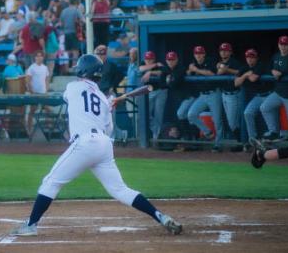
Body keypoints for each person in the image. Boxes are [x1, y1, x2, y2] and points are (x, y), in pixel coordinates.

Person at [10, 54, 182, 237]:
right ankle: (160, 216)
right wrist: (107, 104)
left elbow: (72, 100)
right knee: (120, 190)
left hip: (85, 142)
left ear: (83, 70)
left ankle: (30, 225)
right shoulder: (102, 97)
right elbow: (107, 130)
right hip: (103, 145)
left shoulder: (73, 87)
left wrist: (107, 103)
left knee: (51, 182)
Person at [260, 36, 288, 141]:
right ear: (278, 45)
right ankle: (274, 131)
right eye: (281, 44)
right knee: (265, 107)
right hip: (279, 92)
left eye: (285, 44)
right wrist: (272, 71)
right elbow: (268, 68)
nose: (283, 46)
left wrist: (281, 73)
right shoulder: (276, 56)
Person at [186, 46, 224, 152]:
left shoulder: (210, 61)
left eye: (200, 53)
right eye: (196, 53)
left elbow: (212, 74)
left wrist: (196, 70)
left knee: (217, 120)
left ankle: (218, 144)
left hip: (214, 94)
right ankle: (207, 132)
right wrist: (190, 70)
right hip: (202, 95)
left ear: (204, 54)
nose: (198, 55)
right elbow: (187, 74)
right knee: (191, 114)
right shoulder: (194, 63)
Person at [236, 49, 271, 148]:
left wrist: (246, 76)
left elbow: (253, 78)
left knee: (270, 117)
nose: (250, 59)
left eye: (252, 57)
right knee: (247, 113)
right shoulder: (244, 68)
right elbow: (236, 83)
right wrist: (246, 74)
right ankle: (253, 139)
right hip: (258, 96)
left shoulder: (260, 65)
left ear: (256, 58)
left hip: (269, 95)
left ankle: (273, 140)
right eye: (248, 57)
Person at [139, 51, 168, 141]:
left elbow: (163, 71)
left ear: (154, 59)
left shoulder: (160, 64)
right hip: (149, 92)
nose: (149, 61)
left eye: (151, 59)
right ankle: (156, 131)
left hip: (161, 91)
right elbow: (140, 69)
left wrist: (150, 73)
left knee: (158, 114)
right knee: (145, 113)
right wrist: (153, 66)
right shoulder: (145, 64)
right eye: (147, 59)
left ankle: (157, 136)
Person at [216, 43, 242, 144]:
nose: (223, 52)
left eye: (226, 50)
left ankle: (240, 142)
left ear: (230, 52)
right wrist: (221, 67)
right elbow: (218, 73)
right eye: (222, 50)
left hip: (234, 94)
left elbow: (240, 71)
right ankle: (239, 142)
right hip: (224, 94)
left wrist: (227, 70)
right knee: (231, 121)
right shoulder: (219, 63)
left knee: (233, 122)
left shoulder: (234, 62)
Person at [26, 51, 50, 136]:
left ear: (43, 58)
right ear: (35, 57)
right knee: (32, 111)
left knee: (48, 110)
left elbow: (47, 80)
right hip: (35, 93)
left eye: (41, 56)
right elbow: (28, 81)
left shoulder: (45, 68)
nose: (39, 58)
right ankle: (29, 130)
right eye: (37, 56)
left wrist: (46, 90)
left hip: (43, 93)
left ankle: (49, 128)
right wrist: (32, 92)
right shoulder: (31, 68)